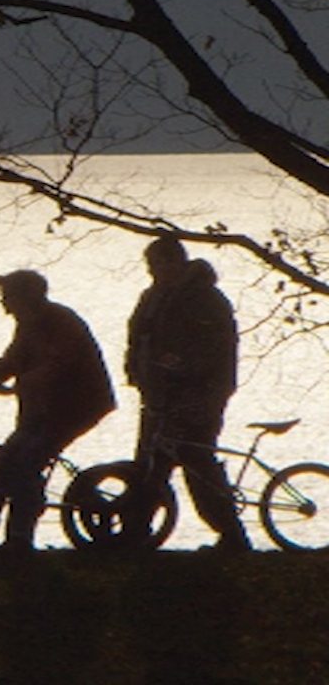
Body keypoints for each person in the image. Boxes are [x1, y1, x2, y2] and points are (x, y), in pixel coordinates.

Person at [0, 270, 115, 552]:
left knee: (26, 464)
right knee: (1, 463)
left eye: (8, 298)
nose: (5, 306)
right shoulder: (29, 324)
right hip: (44, 408)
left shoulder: (60, 322)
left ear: (26, 298)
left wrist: (19, 385)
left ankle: (19, 539)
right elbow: (11, 360)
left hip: (75, 406)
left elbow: (59, 365)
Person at [123, 235, 250, 552]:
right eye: (150, 266)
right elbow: (138, 337)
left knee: (195, 461)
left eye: (159, 265)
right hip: (157, 396)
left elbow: (214, 350)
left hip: (199, 395)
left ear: (176, 262)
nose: (154, 272)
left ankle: (231, 535)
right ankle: (135, 532)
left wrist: (182, 369)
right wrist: (136, 370)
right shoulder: (152, 297)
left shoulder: (206, 299)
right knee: (150, 463)